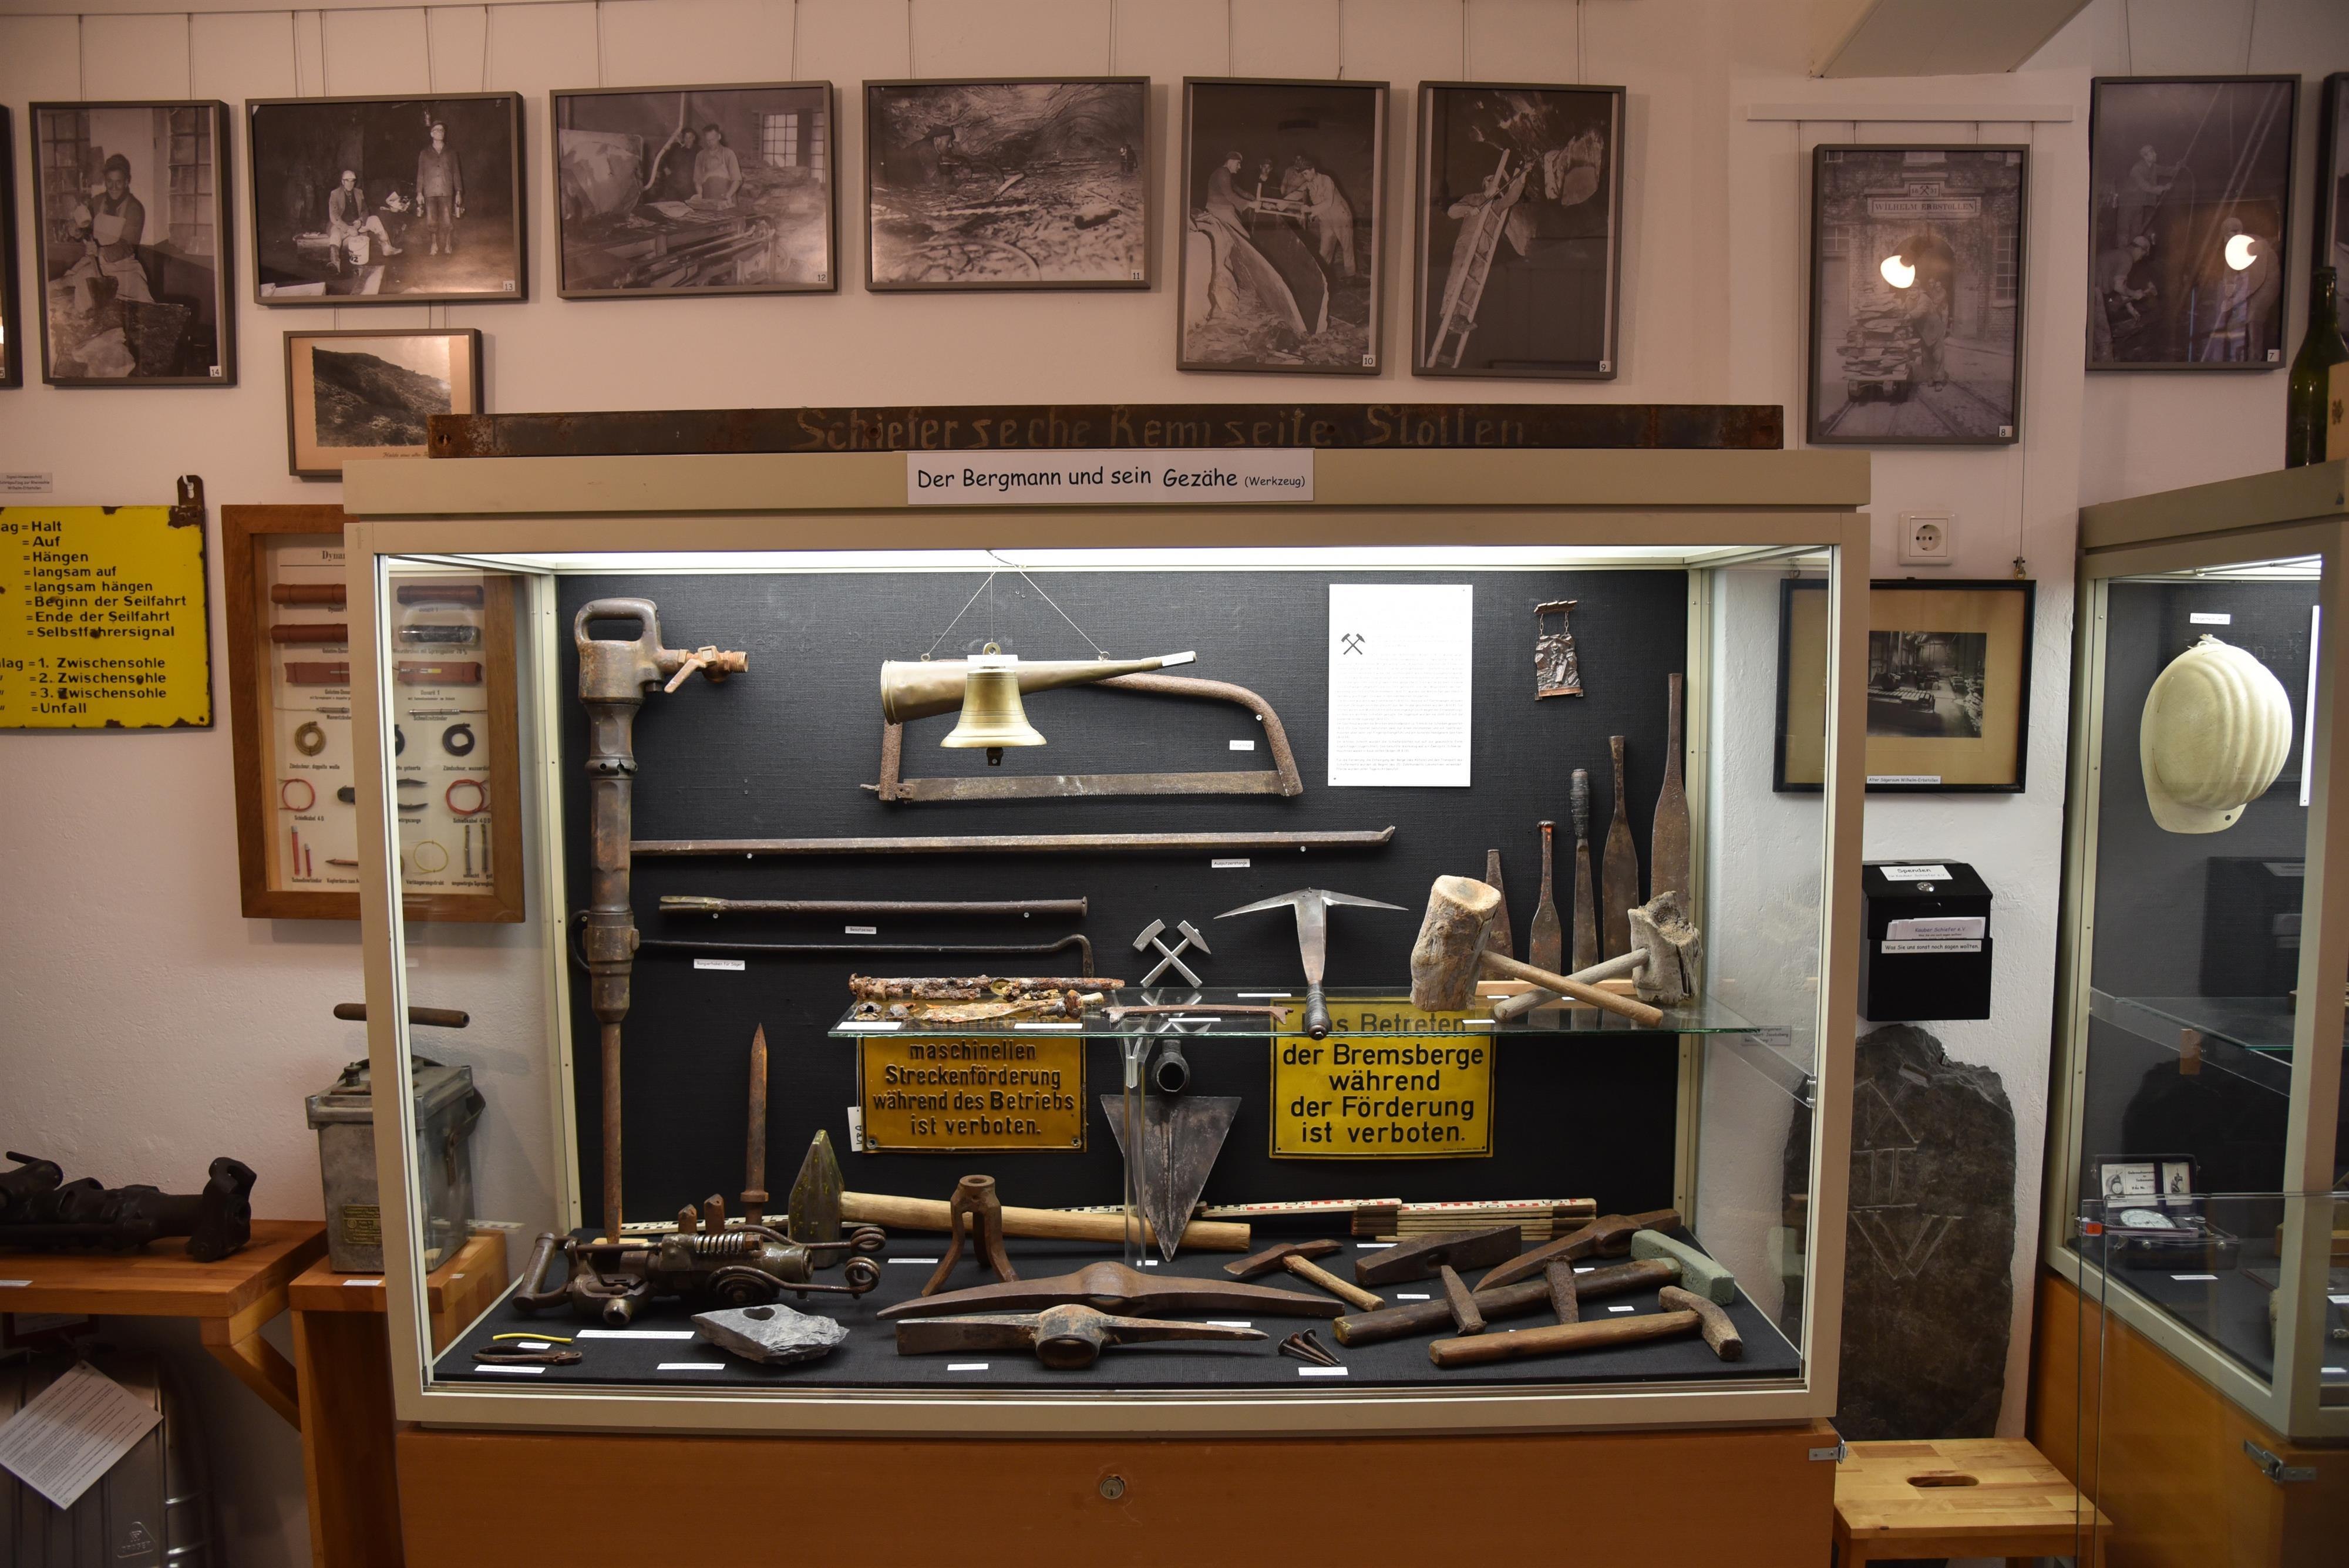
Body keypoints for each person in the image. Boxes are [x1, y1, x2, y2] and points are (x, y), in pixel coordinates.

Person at [62, 153, 153, 311]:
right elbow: (86, 230)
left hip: (123, 266)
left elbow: (127, 246)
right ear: (105, 181)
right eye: (110, 181)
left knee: (143, 306)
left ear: (127, 181)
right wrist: (76, 232)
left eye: (119, 182)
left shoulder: (134, 209)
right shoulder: (97, 202)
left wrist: (100, 251)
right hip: (94, 261)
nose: (114, 187)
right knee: (74, 288)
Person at [1294, 154, 1356, 278]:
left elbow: (1329, 202)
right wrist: (1280, 204)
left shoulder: (1326, 180)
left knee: (1347, 248)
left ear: (1313, 170)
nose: (1305, 177)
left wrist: (1311, 210)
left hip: (1340, 217)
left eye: (1306, 173)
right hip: (1326, 221)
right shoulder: (1309, 184)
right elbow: (1297, 194)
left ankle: (1351, 276)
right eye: (1303, 175)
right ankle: (1322, 278)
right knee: (1324, 251)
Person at [325, 169, 399, 267]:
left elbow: (365, 210)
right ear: (343, 182)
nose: (350, 184)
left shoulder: (359, 192)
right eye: (347, 181)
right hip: (341, 226)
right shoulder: (335, 194)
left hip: (357, 224)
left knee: (374, 219)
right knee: (335, 235)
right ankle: (335, 262)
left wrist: (360, 220)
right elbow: (334, 216)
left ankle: (387, 248)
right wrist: (347, 229)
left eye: (353, 181)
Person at [2116, 143, 2178, 248]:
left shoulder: (2154, 167)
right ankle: (2121, 253)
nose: (2155, 154)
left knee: (2136, 233)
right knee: (2124, 232)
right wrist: (2163, 188)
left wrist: (2178, 167)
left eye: (2154, 152)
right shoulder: (2137, 169)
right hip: (2128, 205)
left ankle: (2132, 254)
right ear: (2145, 156)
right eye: (2152, 153)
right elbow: (2146, 187)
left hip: (2139, 206)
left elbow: (2168, 171)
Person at [416, 121, 464, 256]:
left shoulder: (451, 153)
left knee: (447, 220)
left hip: (446, 191)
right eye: (437, 130)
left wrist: (459, 192)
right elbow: (420, 174)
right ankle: (434, 244)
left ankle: (448, 244)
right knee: (431, 221)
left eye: (442, 130)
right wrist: (419, 193)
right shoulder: (424, 153)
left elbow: (456, 173)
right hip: (430, 192)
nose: (440, 132)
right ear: (432, 134)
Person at [692, 123, 742, 207]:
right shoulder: (700, 156)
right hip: (708, 199)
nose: (710, 143)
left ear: (719, 137)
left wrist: (729, 195)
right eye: (708, 141)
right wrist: (700, 195)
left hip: (727, 200)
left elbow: (737, 180)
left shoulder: (729, 154)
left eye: (713, 140)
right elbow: (697, 181)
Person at [647, 125, 699, 203]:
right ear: (683, 138)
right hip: (673, 186)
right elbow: (659, 155)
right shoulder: (676, 147)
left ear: (694, 138)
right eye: (686, 138)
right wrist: (665, 168)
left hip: (689, 187)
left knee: (688, 207)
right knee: (672, 206)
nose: (688, 140)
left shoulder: (699, 150)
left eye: (690, 138)